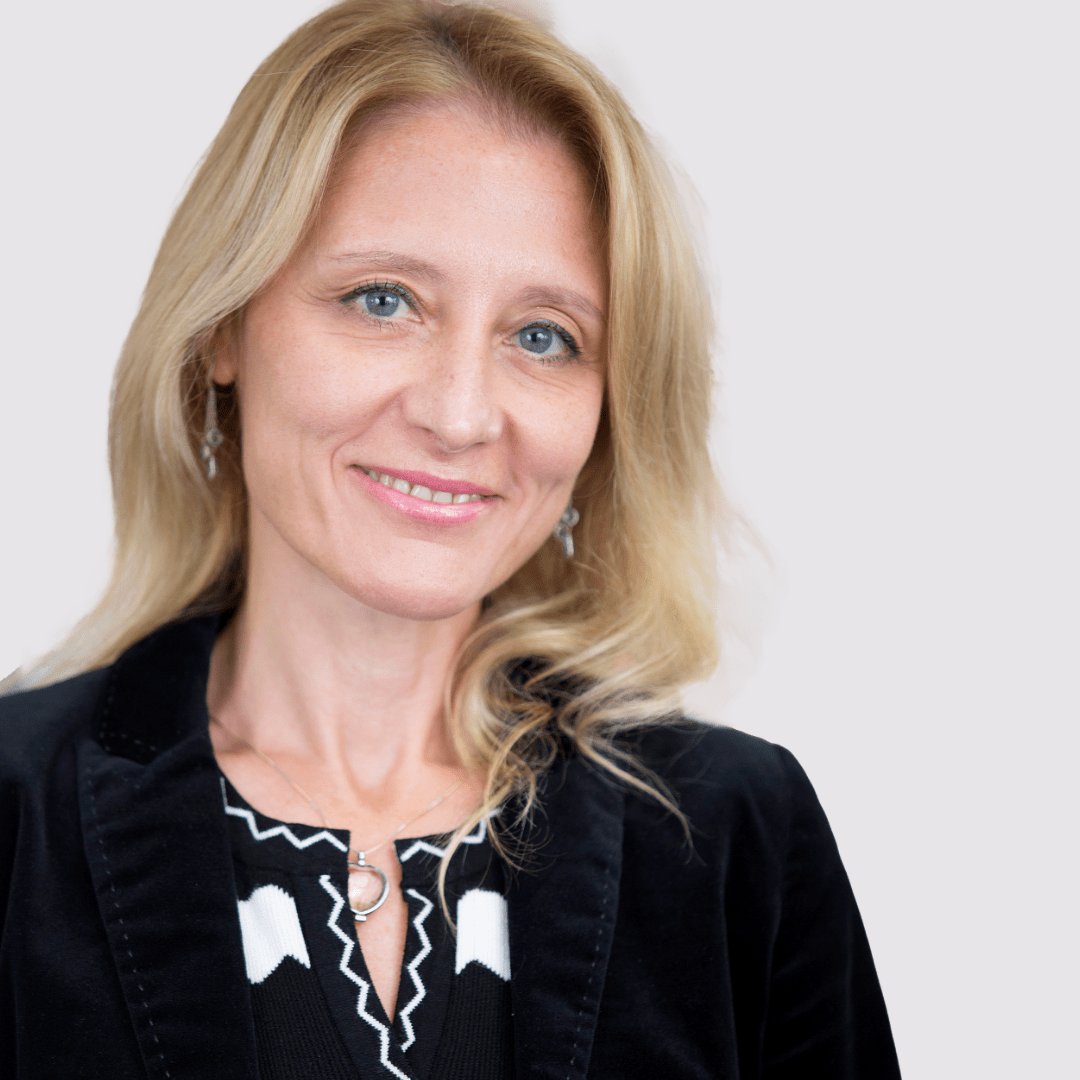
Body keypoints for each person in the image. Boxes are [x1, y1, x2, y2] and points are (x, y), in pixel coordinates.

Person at [0, 1, 901, 1076]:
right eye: (384, 299)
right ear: (224, 327)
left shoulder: (734, 840)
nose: (463, 413)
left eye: (542, 336)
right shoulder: (16, 821)